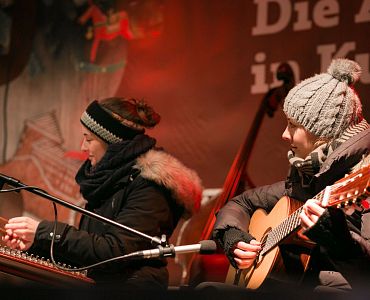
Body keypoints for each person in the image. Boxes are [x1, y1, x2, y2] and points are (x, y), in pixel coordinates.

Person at [3, 97, 203, 289]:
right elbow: (91, 254)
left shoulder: (151, 187)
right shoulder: (113, 179)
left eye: (89, 139)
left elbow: (116, 252)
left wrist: (46, 232)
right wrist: (36, 242)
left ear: (112, 142)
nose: (83, 147)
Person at [213, 58, 370, 294]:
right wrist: (233, 236)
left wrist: (338, 241)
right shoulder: (306, 177)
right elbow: (240, 203)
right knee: (210, 290)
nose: (284, 135)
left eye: (293, 125)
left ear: (322, 133)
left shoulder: (359, 180)